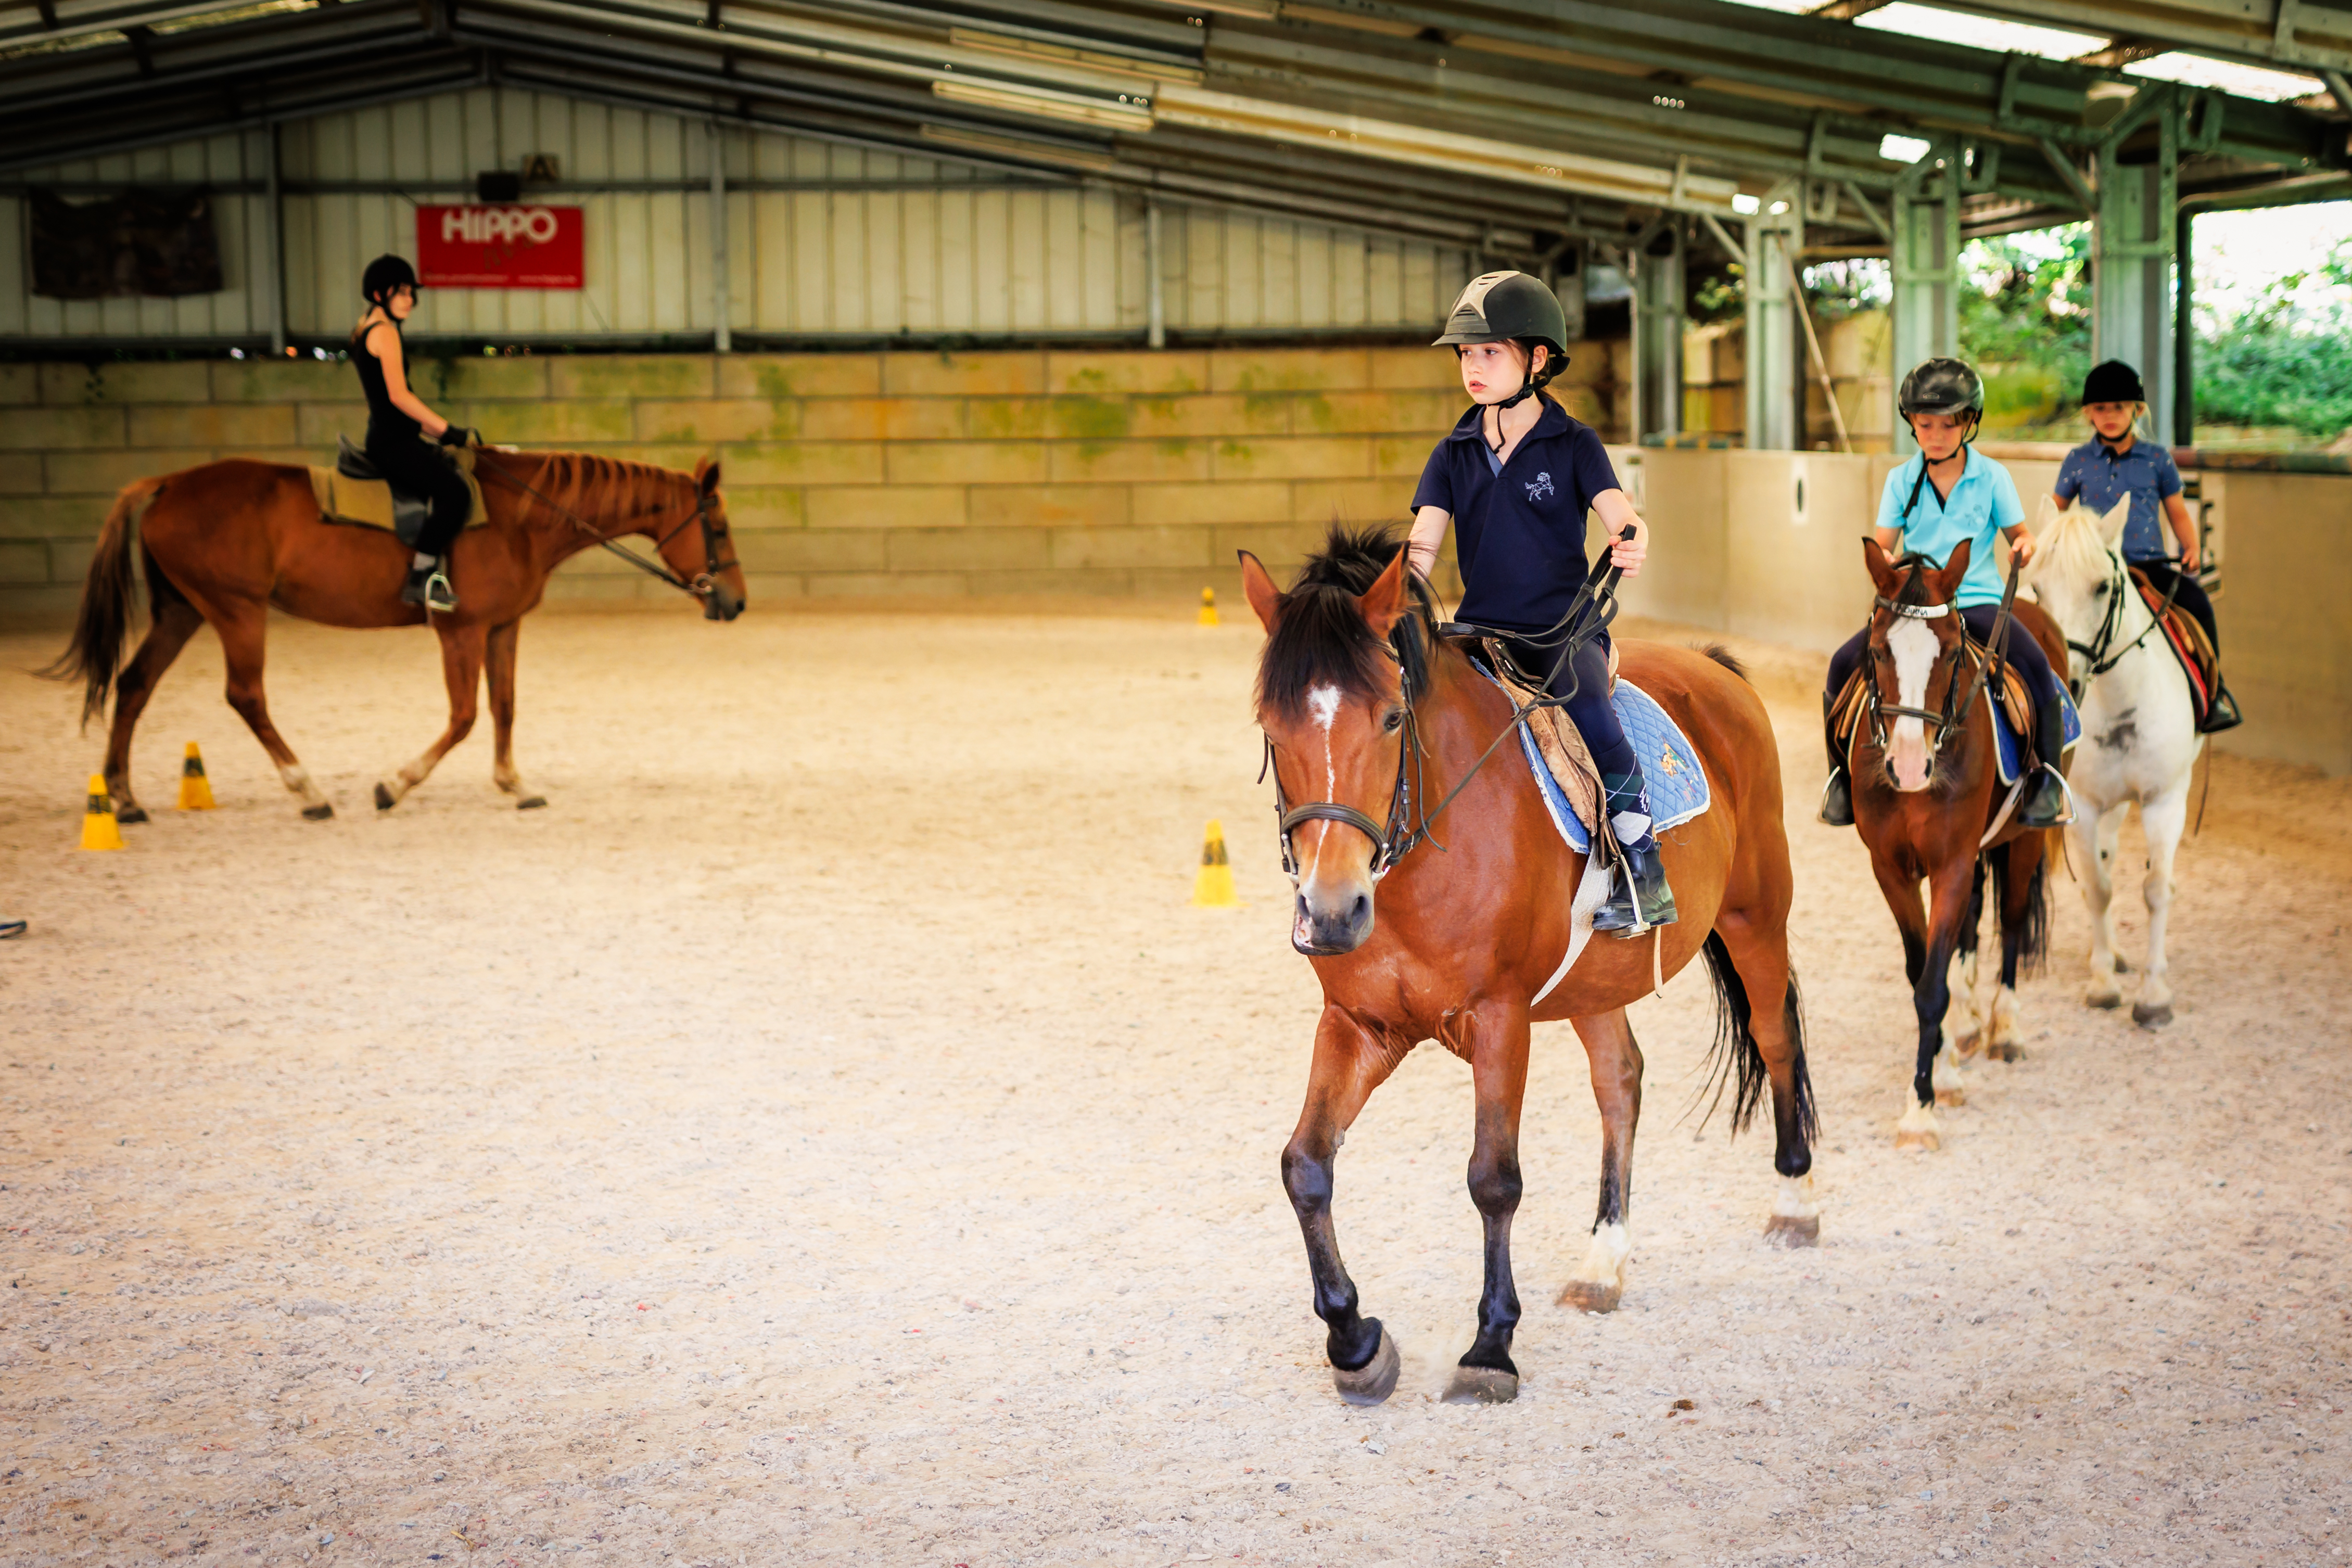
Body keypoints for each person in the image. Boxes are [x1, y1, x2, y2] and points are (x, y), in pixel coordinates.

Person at [1404, 270, 1670, 936]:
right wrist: (1387, 601)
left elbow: (1620, 514)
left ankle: (1644, 867)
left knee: (1592, 714)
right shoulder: (1452, 452)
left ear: (1537, 358)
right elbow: (1421, 546)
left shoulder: (1575, 444)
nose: (1473, 366)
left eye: (1490, 351)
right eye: (1466, 353)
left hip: (1560, 632)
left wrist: (1631, 537)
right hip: (1478, 630)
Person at [1819, 358, 2070, 830]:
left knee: (2037, 665)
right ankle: (1838, 776)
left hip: (1975, 599)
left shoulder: (1992, 477)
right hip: (1913, 606)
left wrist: (2024, 545)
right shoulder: (1900, 480)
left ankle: (2048, 779)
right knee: (1840, 663)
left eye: (1948, 424)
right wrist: (1885, 562)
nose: (1935, 434)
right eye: (1925, 423)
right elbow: (1884, 543)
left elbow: (2020, 533)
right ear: (1912, 424)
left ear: (1969, 422)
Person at [2053, 359, 2238, 731]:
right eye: (2100, 408)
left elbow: (2177, 513)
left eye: (2118, 407)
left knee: (2198, 604)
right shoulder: (2077, 460)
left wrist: (2191, 547)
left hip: (2148, 565)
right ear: (2088, 414)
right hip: (2095, 570)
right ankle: (2051, 693)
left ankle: (2214, 691)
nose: (2109, 416)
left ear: (2137, 411)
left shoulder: (2157, 458)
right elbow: (2057, 511)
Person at [352, 254, 475, 614]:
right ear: (380, 294)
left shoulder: (365, 328)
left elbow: (391, 403)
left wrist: (437, 433)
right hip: (393, 443)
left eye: (411, 293)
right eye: (402, 292)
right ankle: (422, 577)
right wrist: (446, 429)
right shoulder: (385, 332)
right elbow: (399, 396)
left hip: (391, 435)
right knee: (455, 493)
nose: (410, 300)